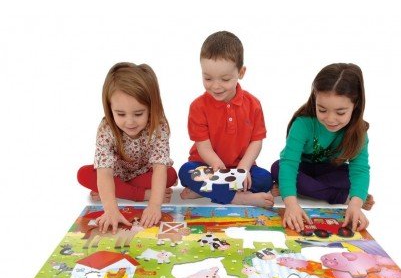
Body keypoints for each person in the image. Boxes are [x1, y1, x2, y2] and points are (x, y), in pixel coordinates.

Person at [271, 62, 374, 232]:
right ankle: (341, 195)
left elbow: (360, 169)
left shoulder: (359, 131)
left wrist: (356, 204)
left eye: (340, 112)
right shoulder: (303, 124)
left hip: (330, 171)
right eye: (322, 110)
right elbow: (289, 164)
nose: (331, 119)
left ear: (355, 105)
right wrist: (291, 203)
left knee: (350, 178)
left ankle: (304, 188)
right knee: (278, 168)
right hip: (303, 169)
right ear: (315, 99)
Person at [77, 62, 177, 232]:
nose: (130, 122)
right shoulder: (106, 129)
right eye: (121, 114)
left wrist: (154, 205)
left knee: (170, 175)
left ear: (151, 107)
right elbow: (104, 173)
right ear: (110, 108)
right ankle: (136, 193)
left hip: (143, 174)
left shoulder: (158, 126)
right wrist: (111, 209)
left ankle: (116, 191)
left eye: (138, 114)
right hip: (115, 174)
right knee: (83, 174)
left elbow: (160, 167)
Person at [179, 31, 274, 207]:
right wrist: (217, 166)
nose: (216, 86)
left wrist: (244, 167)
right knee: (186, 172)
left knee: (265, 179)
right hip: (208, 166)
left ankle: (207, 191)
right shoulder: (197, 106)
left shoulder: (253, 104)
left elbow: (256, 141)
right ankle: (238, 197)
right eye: (208, 78)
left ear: (241, 72)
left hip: (240, 167)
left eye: (225, 79)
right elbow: (203, 146)